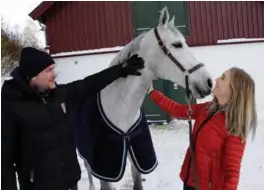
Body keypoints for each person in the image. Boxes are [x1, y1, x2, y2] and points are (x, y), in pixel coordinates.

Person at [1, 47, 145, 190]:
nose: (54, 74)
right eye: (48, 70)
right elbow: (5, 161)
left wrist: (121, 70)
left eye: (53, 68)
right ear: (32, 76)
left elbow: (89, 85)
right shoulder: (12, 107)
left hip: (70, 183)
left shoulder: (58, 95)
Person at [148, 67, 257, 190]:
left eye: (223, 78)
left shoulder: (233, 127)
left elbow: (232, 173)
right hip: (189, 181)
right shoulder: (206, 109)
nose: (216, 79)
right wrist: (152, 92)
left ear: (234, 90)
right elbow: (177, 109)